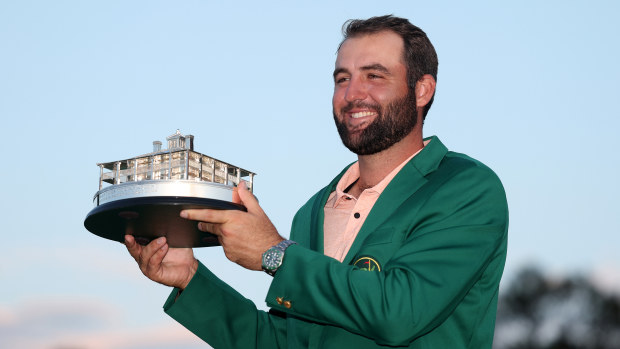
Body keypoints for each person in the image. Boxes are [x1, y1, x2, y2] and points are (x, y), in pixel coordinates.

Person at [125, 15, 508, 348]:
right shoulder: (312, 212)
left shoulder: (465, 188)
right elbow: (281, 343)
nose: (352, 94)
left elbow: (400, 312)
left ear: (422, 90)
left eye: (374, 76)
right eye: (342, 78)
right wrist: (190, 280)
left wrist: (276, 254)